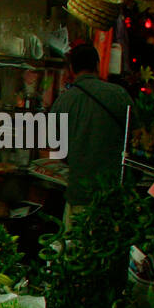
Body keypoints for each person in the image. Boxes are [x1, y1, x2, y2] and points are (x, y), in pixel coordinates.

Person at [49, 43, 133, 228]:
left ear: (71, 68)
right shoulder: (120, 95)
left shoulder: (64, 101)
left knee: (75, 250)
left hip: (79, 195)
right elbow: (133, 140)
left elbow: (57, 150)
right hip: (113, 197)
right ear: (97, 65)